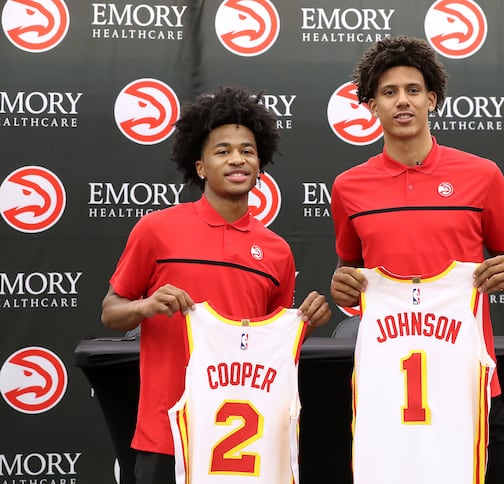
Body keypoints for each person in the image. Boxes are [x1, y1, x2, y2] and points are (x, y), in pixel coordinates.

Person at [101, 85, 331, 484]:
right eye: (222, 150)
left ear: (261, 164)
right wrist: (146, 306)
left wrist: (305, 322)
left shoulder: (276, 251)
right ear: (201, 166)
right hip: (167, 439)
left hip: (244, 445)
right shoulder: (156, 230)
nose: (237, 159)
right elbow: (110, 312)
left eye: (247, 150)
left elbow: (266, 347)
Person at [329, 35, 504, 484]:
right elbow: (349, 271)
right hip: (390, 391)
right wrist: (340, 286)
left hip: (470, 383)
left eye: (413, 90)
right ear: (372, 106)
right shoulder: (348, 187)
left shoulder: (482, 175)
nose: (402, 101)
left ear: (432, 99)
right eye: (388, 92)